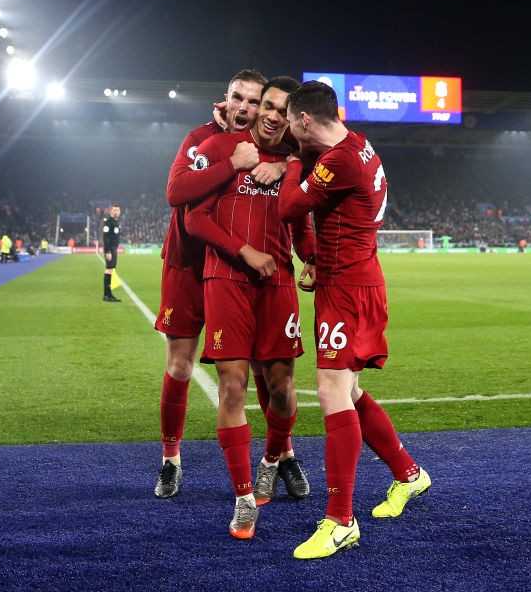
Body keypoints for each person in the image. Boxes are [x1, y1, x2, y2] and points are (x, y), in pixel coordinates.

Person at [279, 80, 431, 560]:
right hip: (352, 279)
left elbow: (288, 207)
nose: (286, 130)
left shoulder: (337, 160)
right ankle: (409, 474)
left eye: (289, 121)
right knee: (350, 391)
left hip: (348, 289)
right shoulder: (359, 144)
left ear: (304, 120)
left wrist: (292, 163)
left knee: (330, 391)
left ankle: (340, 521)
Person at [185, 76, 316, 540]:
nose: (271, 115)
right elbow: (194, 217)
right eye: (267, 106)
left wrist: (311, 256)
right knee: (233, 388)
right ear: (256, 107)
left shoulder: (295, 160)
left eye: (282, 110)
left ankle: (272, 460)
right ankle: (244, 498)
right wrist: (243, 251)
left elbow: (300, 220)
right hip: (226, 279)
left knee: (281, 387)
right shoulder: (223, 147)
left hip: (278, 282)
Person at [153, 69, 279, 499]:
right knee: (181, 366)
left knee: (262, 368)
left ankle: (284, 453)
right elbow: (176, 192)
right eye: (238, 98)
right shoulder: (197, 139)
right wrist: (232, 164)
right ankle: (171, 459)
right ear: (224, 100)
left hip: (235, 272)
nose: (245, 108)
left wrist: (278, 162)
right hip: (189, 264)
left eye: (254, 101)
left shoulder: (268, 144)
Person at [101, 206, 121, 301]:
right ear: (111, 212)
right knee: (108, 270)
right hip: (110, 249)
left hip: (114, 248)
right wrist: (108, 251)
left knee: (111, 270)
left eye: (117, 210)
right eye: (114, 210)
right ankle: (106, 295)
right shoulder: (108, 222)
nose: (116, 212)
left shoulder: (115, 222)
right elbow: (105, 237)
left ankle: (109, 294)